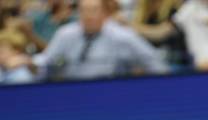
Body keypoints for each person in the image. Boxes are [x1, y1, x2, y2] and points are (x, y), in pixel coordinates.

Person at [33, 0, 168, 80]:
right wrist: (31, 64)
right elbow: (45, 64)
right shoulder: (65, 34)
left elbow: (156, 64)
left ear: (105, 13)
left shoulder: (122, 36)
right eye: (83, 11)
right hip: (71, 91)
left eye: (93, 10)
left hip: (110, 91)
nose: (88, 16)